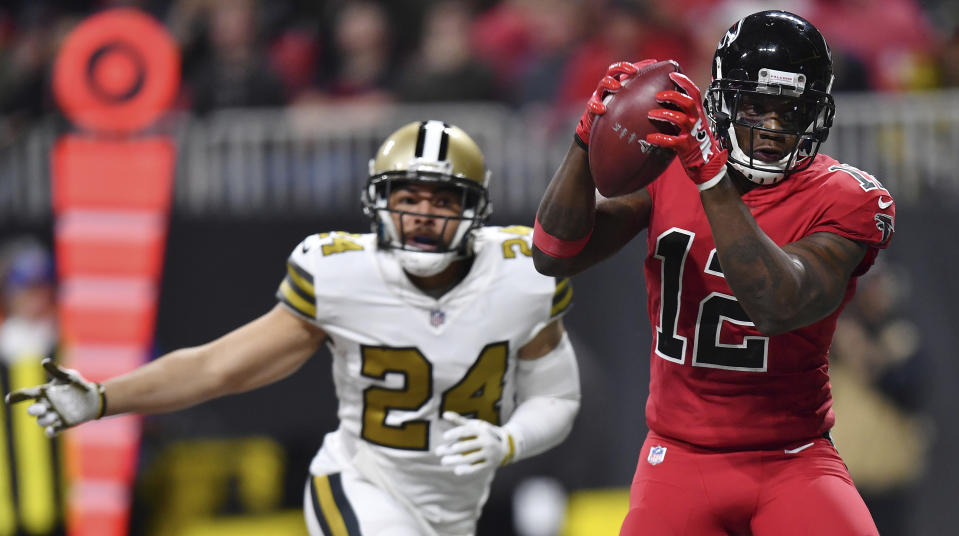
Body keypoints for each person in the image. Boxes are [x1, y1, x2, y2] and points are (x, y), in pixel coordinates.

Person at [5, 120, 581, 536]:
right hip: (361, 484)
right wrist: (106, 397)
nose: (423, 215)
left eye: (442, 199)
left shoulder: (519, 272)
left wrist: (509, 440)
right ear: (378, 203)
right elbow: (218, 366)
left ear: (474, 210)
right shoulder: (343, 273)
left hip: (455, 512)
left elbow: (557, 395)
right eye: (407, 198)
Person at [532, 10, 892, 536]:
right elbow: (554, 255)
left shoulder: (846, 197)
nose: (771, 128)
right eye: (756, 106)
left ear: (816, 113)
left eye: (788, 111)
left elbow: (776, 304)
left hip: (792, 458)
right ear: (725, 101)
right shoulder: (671, 169)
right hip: (679, 458)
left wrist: (711, 174)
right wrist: (584, 142)